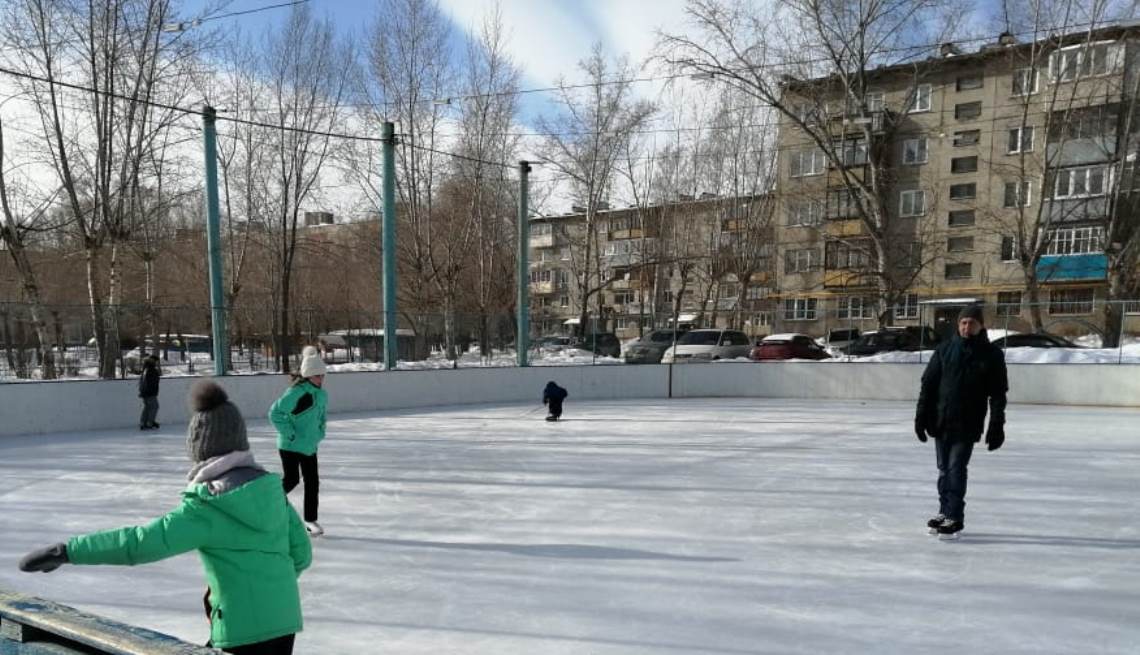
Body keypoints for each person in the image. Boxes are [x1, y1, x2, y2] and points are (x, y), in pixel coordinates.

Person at [19, 381, 312, 655]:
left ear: (200, 450)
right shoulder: (272, 493)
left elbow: (139, 544)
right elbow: (301, 555)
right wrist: (268, 590)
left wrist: (68, 551)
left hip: (240, 630)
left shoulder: (207, 508)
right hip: (285, 623)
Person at [915, 304, 1008, 539]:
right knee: (943, 469)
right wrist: (921, 416)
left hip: (968, 423)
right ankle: (944, 510)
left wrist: (996, 425)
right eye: (963, 322)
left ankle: (955, 516)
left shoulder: (992, 355)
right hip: (941, 420)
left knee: (956, 469)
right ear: (958, 325)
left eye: (972, 323)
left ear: (981, 325)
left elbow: (998, 394)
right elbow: (928, 385)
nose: (967, 327)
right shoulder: (944, 349)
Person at [270, 346, 328, 536]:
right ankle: (267, 503)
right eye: (317, 376)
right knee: (292, 479)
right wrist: (290, 434)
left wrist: (320, 432)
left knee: (313, 483)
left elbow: (321, 417)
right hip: (290, 445)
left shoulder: (321, 394)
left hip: (309, 445)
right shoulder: (297, 392)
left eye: (322, 375)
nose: (321, 379)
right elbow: (275, 413)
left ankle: (310, 520)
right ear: (308, 375)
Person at [138, 355, 161, 430]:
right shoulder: (151, 370)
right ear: (153, 361)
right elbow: (152, 382)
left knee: (147, 407)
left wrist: (142, 391)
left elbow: (143, 381)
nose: (157, 363)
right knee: (154, 406)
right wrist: (151, 391)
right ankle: (149, 422)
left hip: (145, 392)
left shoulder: (146, 368)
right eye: (156, 361)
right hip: (149, 392)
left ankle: (143, 422)